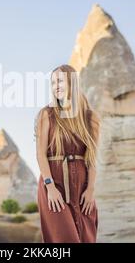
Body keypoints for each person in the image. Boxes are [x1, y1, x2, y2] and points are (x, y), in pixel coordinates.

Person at [34, 64, 100, 243]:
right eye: (53, 82)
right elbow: (41, 154)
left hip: (81, 187)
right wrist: (50, 187)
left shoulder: (90, 117)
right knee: (64, 240)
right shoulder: (46, 115)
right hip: (54, 184)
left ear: (72, 82)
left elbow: (92, 158)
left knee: (86, 237)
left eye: (60, 81)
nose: (56, 86)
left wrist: (90, 190)